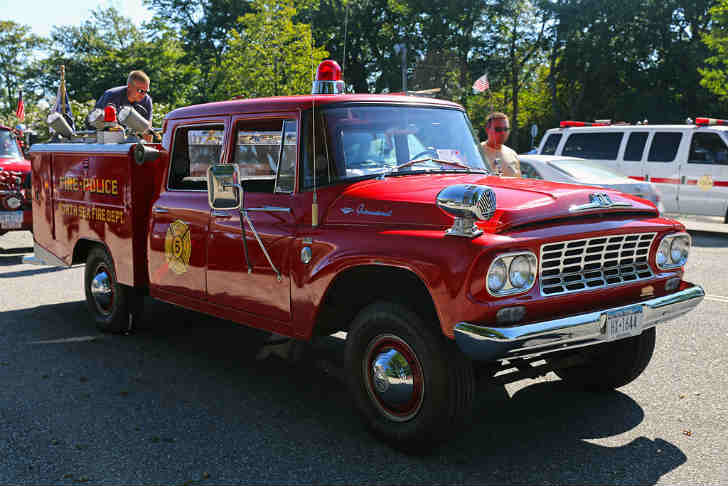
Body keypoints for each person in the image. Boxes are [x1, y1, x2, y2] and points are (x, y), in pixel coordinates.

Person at [90, 70, 153, 139]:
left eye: (146, 91)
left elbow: (148, 129)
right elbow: (97, 121)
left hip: (131, 140)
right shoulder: (111, 96)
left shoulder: (147, 100)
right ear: (129, 87)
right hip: (104, 139)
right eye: (140, 91)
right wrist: (116, 128)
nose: (143, 95)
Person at [480, 112, 521, 177]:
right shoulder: (477, 152)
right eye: (498, 129)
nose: (503, 133)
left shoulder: (512, 154)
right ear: (487, 130)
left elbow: (518, 181)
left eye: (506, 129)